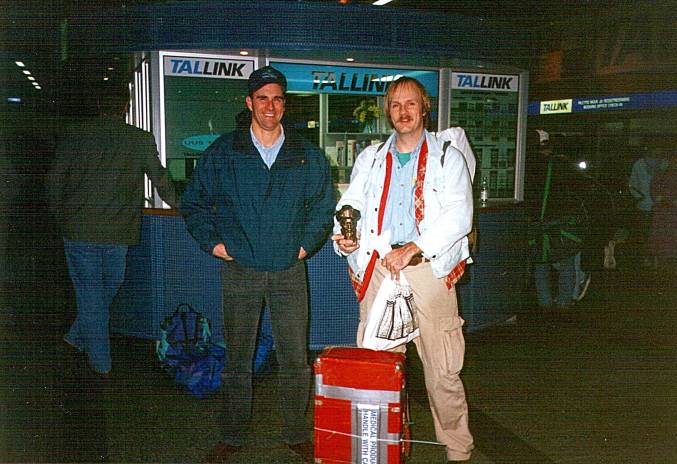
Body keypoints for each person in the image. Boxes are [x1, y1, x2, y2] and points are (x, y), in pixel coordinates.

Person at [180, 66, 334, 464]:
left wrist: (305, 245)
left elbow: (323, 205)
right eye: (262, 98)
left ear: (285, 104)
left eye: (278, 99)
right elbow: (194, 201)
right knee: (238, 357)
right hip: (241, 270)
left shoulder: (305, 153)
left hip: (287, 270)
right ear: (249, 103)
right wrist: (214, 244)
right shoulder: (225, 151)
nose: (271, 106)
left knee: (295, 358)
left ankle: (295, 432)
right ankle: (232, 433)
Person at [332, 76, 474, 463]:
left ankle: (458, 449)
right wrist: (346, 235)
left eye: (410, 104)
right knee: (378, 365)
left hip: (427, 269)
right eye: (395, 105)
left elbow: (459, 216)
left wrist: (414, 247)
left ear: (424, 107)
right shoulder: (372, 157)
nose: (403, 112)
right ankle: (379, 447)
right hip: (382, 269)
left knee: (442, 370)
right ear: (387, 111)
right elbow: (353, 203)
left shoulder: (448, 156)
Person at [47, 84, 181, 375]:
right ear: (126, 107)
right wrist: (181, 206)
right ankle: (102, 365)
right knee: (104, 289)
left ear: (98, 106)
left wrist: (60, 217)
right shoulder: (139, 139)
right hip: (119, 232)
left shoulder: (74, 135)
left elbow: (55, 181)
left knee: (92, 295)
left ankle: (76, 337)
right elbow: (161, 179)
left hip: (79, 231)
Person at [525, 130, 590, 312]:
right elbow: (578, 190)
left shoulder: (528, 165)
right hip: (562, 222)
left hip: (537, 220)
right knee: (566, 261)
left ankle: (544, 301)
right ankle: (564, 301)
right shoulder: (563, 164)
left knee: (540, 261)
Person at [628, 146, 668, 267]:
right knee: (644, 234)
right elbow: (632, 184)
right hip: (644, 207)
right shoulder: (639, 165)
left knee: (658, 234)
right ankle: (645, 257)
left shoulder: (665, 165)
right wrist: (639, 198)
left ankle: (657, 258)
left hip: (661, 207)